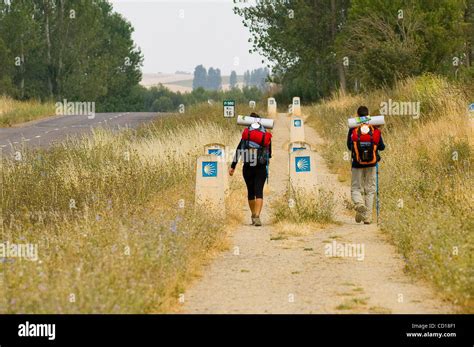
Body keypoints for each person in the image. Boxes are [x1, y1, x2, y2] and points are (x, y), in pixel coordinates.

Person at [229, 114, 272, 226]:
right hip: (261, 167)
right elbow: (269, 153)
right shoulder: (265, 135)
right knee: (259, 192)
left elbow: (239, 150)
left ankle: (253, 214)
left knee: (251, 192)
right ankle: (257, 215)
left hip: (248, 166)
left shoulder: (246, 134)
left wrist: (233, 166)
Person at [347, 106, 385, 224]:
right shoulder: (374, 128)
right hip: (372, 164)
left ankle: (359, 204)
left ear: (357, 116)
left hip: (357, 163)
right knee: (370, 190)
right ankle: (368, 217)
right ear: (368, 116)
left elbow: (349, 146)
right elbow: (382, 147)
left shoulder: (353, 128)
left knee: (356, 188)